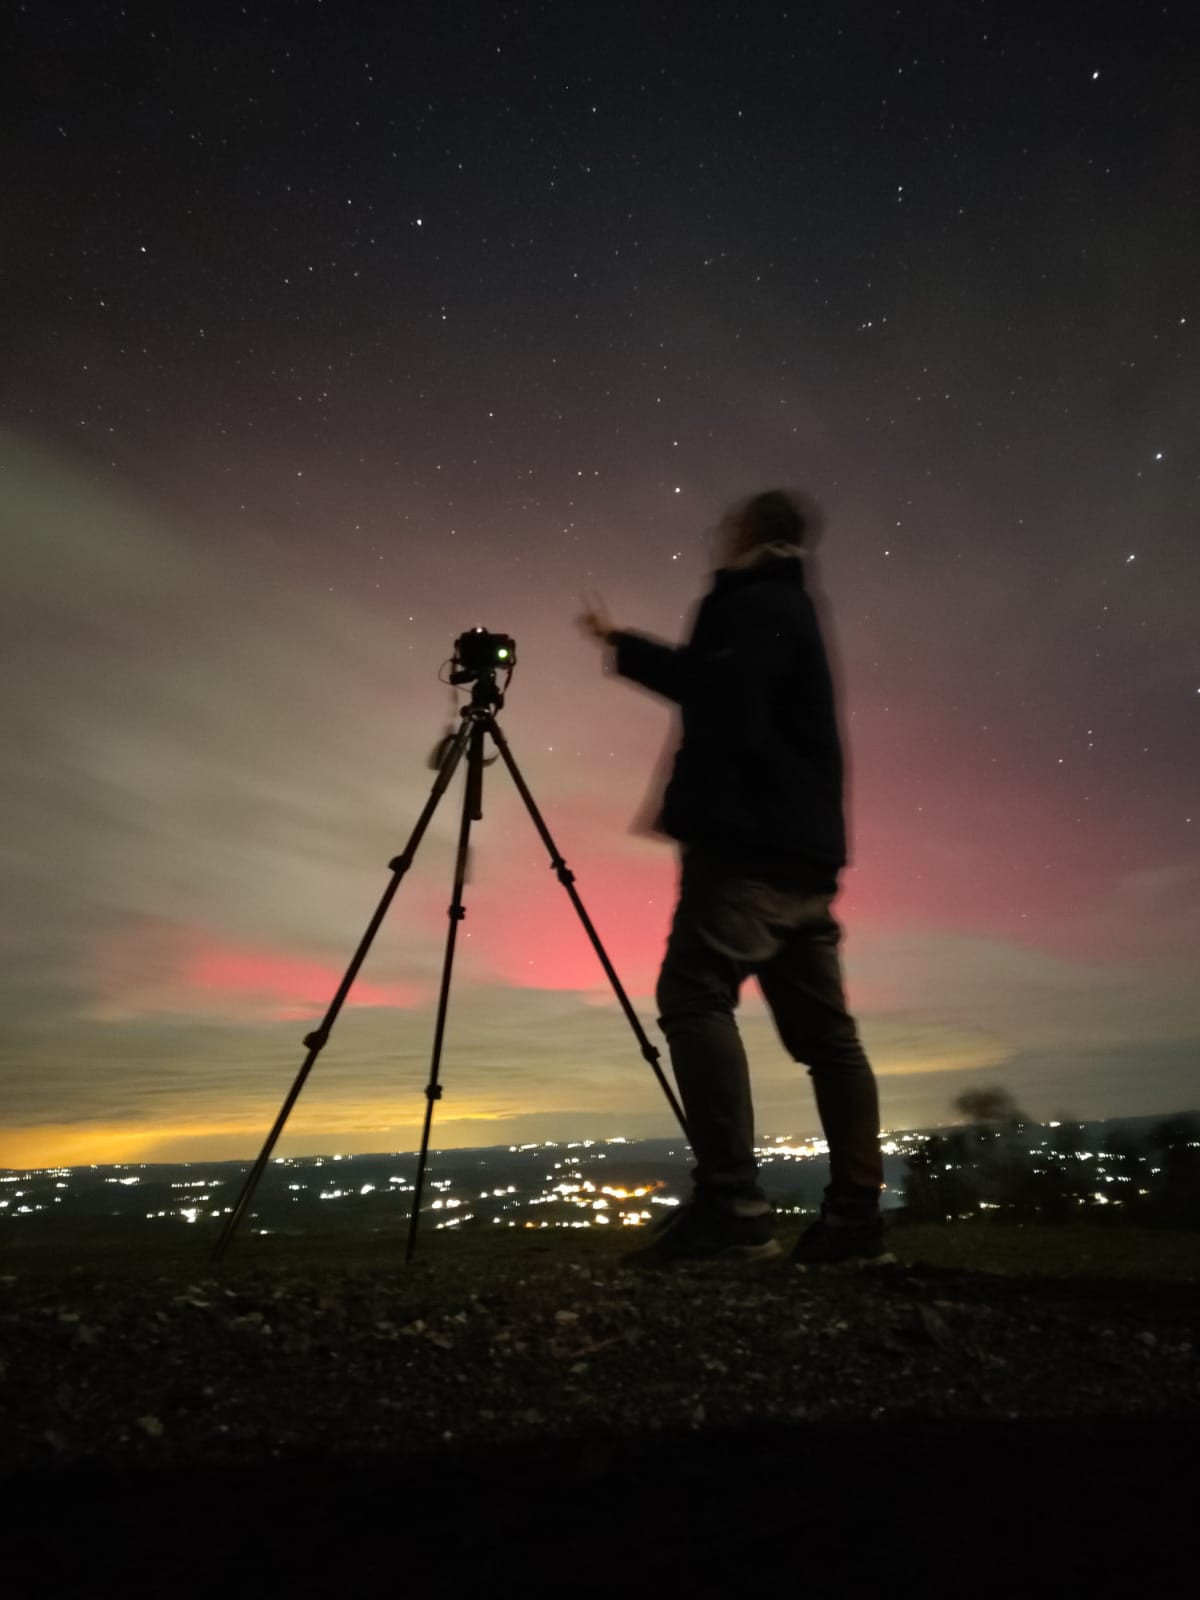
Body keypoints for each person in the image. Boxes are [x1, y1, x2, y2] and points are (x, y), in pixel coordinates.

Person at [577, 490, 891, 1266]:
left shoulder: (753, 602)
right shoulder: (791, 605)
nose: (715, 538)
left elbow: (724, 697)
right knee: (828, 1040)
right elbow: (720, 683)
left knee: (694, 992)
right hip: (806, 849)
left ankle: (732, 1206)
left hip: (748, 845)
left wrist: (710, 814)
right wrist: (623, 644)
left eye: (726, 528)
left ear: (751, 533)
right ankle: (854, 1221)